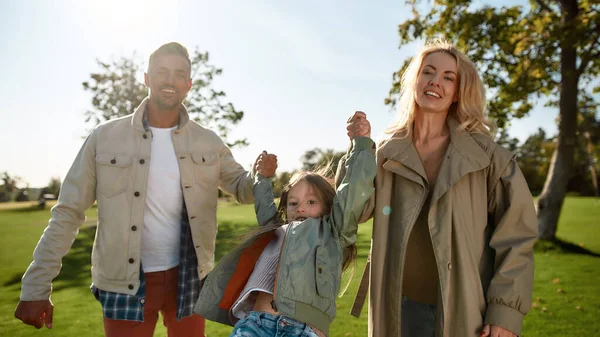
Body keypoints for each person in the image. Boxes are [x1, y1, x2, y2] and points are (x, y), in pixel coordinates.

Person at [14, 42, 276, 337]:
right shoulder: (104, 137)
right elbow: (68, 212)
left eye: (179, 74)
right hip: (122, 281)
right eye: (161, 72)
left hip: (189, 276)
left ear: (188, 84)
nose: (170, 80)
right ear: (146, 78)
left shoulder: (208, 141)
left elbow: (242, 188)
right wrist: (36, 286)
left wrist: (260, 175)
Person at [347, 39, 538, 337]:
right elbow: (354, 212)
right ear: (415, 80)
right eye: (428, 72)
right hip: (397, 309)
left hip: (464, 311)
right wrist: (360, 150)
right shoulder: (385, 152)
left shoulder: (487, 157)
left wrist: (505, 312)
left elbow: (517, 236)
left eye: (449, 77)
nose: (436, 82)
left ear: (459, 92)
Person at [193, 114, 376, 337]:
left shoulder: (333, 232)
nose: (300, 208)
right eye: (293, 202)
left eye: (311, 202)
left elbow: (352, 192)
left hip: (302, 330)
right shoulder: (276, 231)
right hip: (255, 325)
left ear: (329, 208)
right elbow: (264, 204)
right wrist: (262, 177)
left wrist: (361, 145)